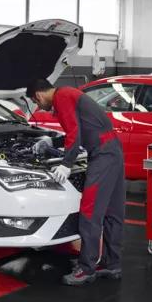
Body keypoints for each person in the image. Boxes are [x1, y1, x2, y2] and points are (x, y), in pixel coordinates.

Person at [27, 79, 125, 286]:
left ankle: (86, 268)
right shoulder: (69, 93)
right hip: (113, 151)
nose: (39, 107)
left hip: (102, 155)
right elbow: (79, 130)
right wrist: (51, 141)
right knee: (112, 212)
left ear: (38, 95)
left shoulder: (62, 97)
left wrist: (66, 164)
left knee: (90, 212)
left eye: (36, 103)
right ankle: (111, 263)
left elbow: (73, 132)